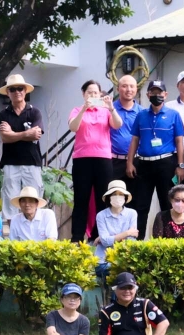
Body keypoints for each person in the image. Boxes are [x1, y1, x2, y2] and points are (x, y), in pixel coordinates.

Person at [126, 79, 184, 238]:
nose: (156, 95)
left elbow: (179, 141)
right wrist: (129, 162)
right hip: (144, 164)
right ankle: (138, 242)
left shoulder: (173, 115)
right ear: (148, 94)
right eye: (153, 92)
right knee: (141, 205)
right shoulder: (141, 115)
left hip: (166, 164)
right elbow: (135, 140)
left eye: (159, 92)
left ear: (165, 95)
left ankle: (168, 240)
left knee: (166, 204)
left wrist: (181, 165)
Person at [68, 79, 121, 242]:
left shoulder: (105, 111)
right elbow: (73, 127)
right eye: (89, 92)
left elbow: (118, 125)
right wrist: (84, 109)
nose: (92, 95)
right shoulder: (77, 110)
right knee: (81, 199)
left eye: (96, 92)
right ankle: (76, 238)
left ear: (100, 94)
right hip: (82, 160)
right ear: (83, 94)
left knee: (102, 199)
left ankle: (99, 237)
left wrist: (111, 109)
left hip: (103, 159)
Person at [0, 74, 45, 223]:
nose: (17, 91)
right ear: (8, 92)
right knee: (10, 201)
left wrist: (13, 134)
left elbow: (36, 135)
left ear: (25, 91)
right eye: (13, 89)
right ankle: (12, 236)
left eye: (20, 88)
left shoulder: (34, 112)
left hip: (32, 162)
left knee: (34, 198)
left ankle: (36, 237)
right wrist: (26, 134)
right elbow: (4, 138)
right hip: (10, 163)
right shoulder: (2, 114)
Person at [93, 180, 138, 273]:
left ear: (125, 197)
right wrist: (127, 233)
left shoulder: (132, 213)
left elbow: (130, 241)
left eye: (121, 194)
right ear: (109, 197)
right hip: (103, 261)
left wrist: (109, 238)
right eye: (114, 194)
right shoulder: (101, 215)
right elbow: (105, 241)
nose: (118, 197)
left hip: (125, 259)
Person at [110, 74, 144, 188]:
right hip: (113, 161)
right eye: (124, 86)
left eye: (132, 86)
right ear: (117, 89)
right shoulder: (109, 109)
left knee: (135, 200)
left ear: (136, 89)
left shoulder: (143, 112)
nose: (129, 89)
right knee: (112, 198)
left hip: (137, 161)